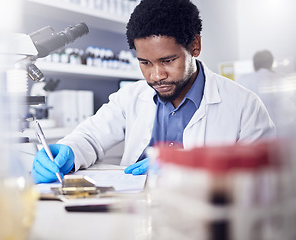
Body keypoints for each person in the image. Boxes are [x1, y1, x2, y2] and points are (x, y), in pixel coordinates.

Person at [31, 0, 276, 183]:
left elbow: (265, 179)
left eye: (168, 60)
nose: (156, 75)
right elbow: (91, 137)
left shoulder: (245, 106)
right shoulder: (130, 97)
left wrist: (188, 172)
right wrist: (69, 151)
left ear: (195, 46)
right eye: (145, 63)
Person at [237, 50, 280, 125]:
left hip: (255, 129)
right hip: (282, 130)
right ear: (271, 64)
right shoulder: (281, 79)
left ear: (254, 65)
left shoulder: (244, 80)